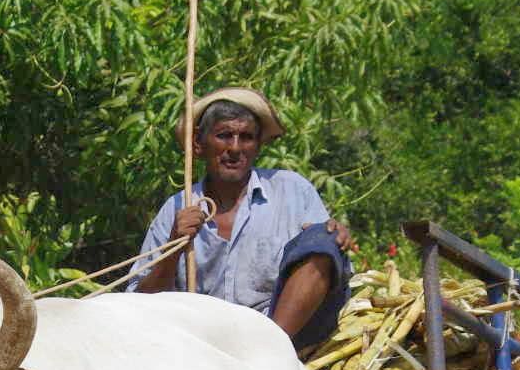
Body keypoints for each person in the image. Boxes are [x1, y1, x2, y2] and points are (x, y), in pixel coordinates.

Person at [128, 86, 354, 354]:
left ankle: (266, 353)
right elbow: (140, 303)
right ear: (199, 145)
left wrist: (331, 235)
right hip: (201, 346)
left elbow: (324, 255)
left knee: (322, 239)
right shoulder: (176, 207)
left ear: (257, 146)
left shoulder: (292, 190)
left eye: (246, 138)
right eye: (224, 135)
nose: (235, 148)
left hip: (284, 335)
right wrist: (173, 246)